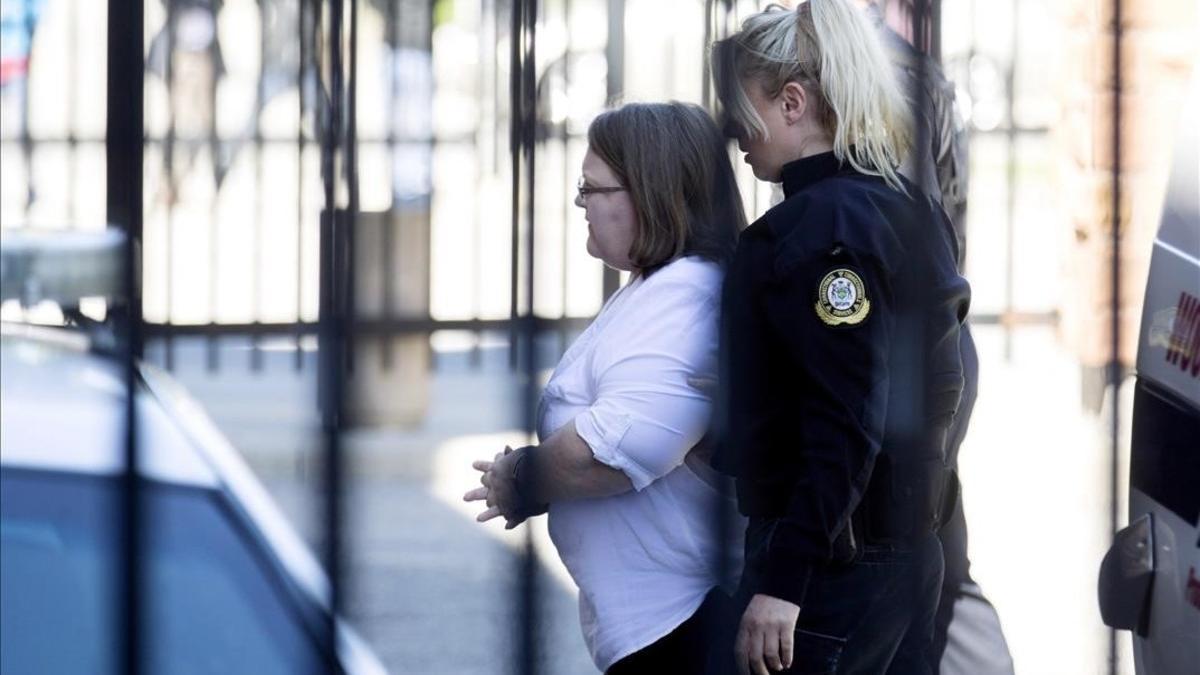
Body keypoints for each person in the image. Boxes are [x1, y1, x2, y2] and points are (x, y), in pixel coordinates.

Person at [709, 1, 970, 673]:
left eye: (742, 108)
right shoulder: (901, 203)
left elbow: (846, 417)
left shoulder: (823, 229)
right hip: (904, 549)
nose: (734, 131)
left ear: (793, 102)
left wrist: (784, 582)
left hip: (836, 563)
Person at [463, 101, 746, 674]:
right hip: (657, 628)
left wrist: (521, 477)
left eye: (592, 189)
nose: (581, 205)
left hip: (684, 627)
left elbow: (609, 453)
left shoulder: (686, 297)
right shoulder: (658, 287)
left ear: (649, 194)